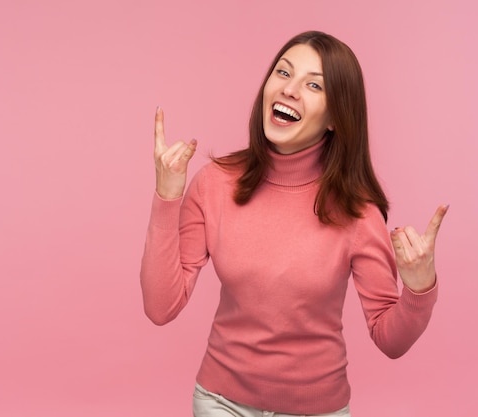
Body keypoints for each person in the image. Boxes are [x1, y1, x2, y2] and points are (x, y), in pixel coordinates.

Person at [141, 31, 448, 417]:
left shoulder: (357, 212)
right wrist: (167, 196)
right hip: (221, 403)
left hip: (317, 410)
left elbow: (390, 339)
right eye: (283, 73)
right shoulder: (214, 183)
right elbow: (160, 306)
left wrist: (420, 289)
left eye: (314, 84)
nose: (290, 89)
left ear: (336, 116)